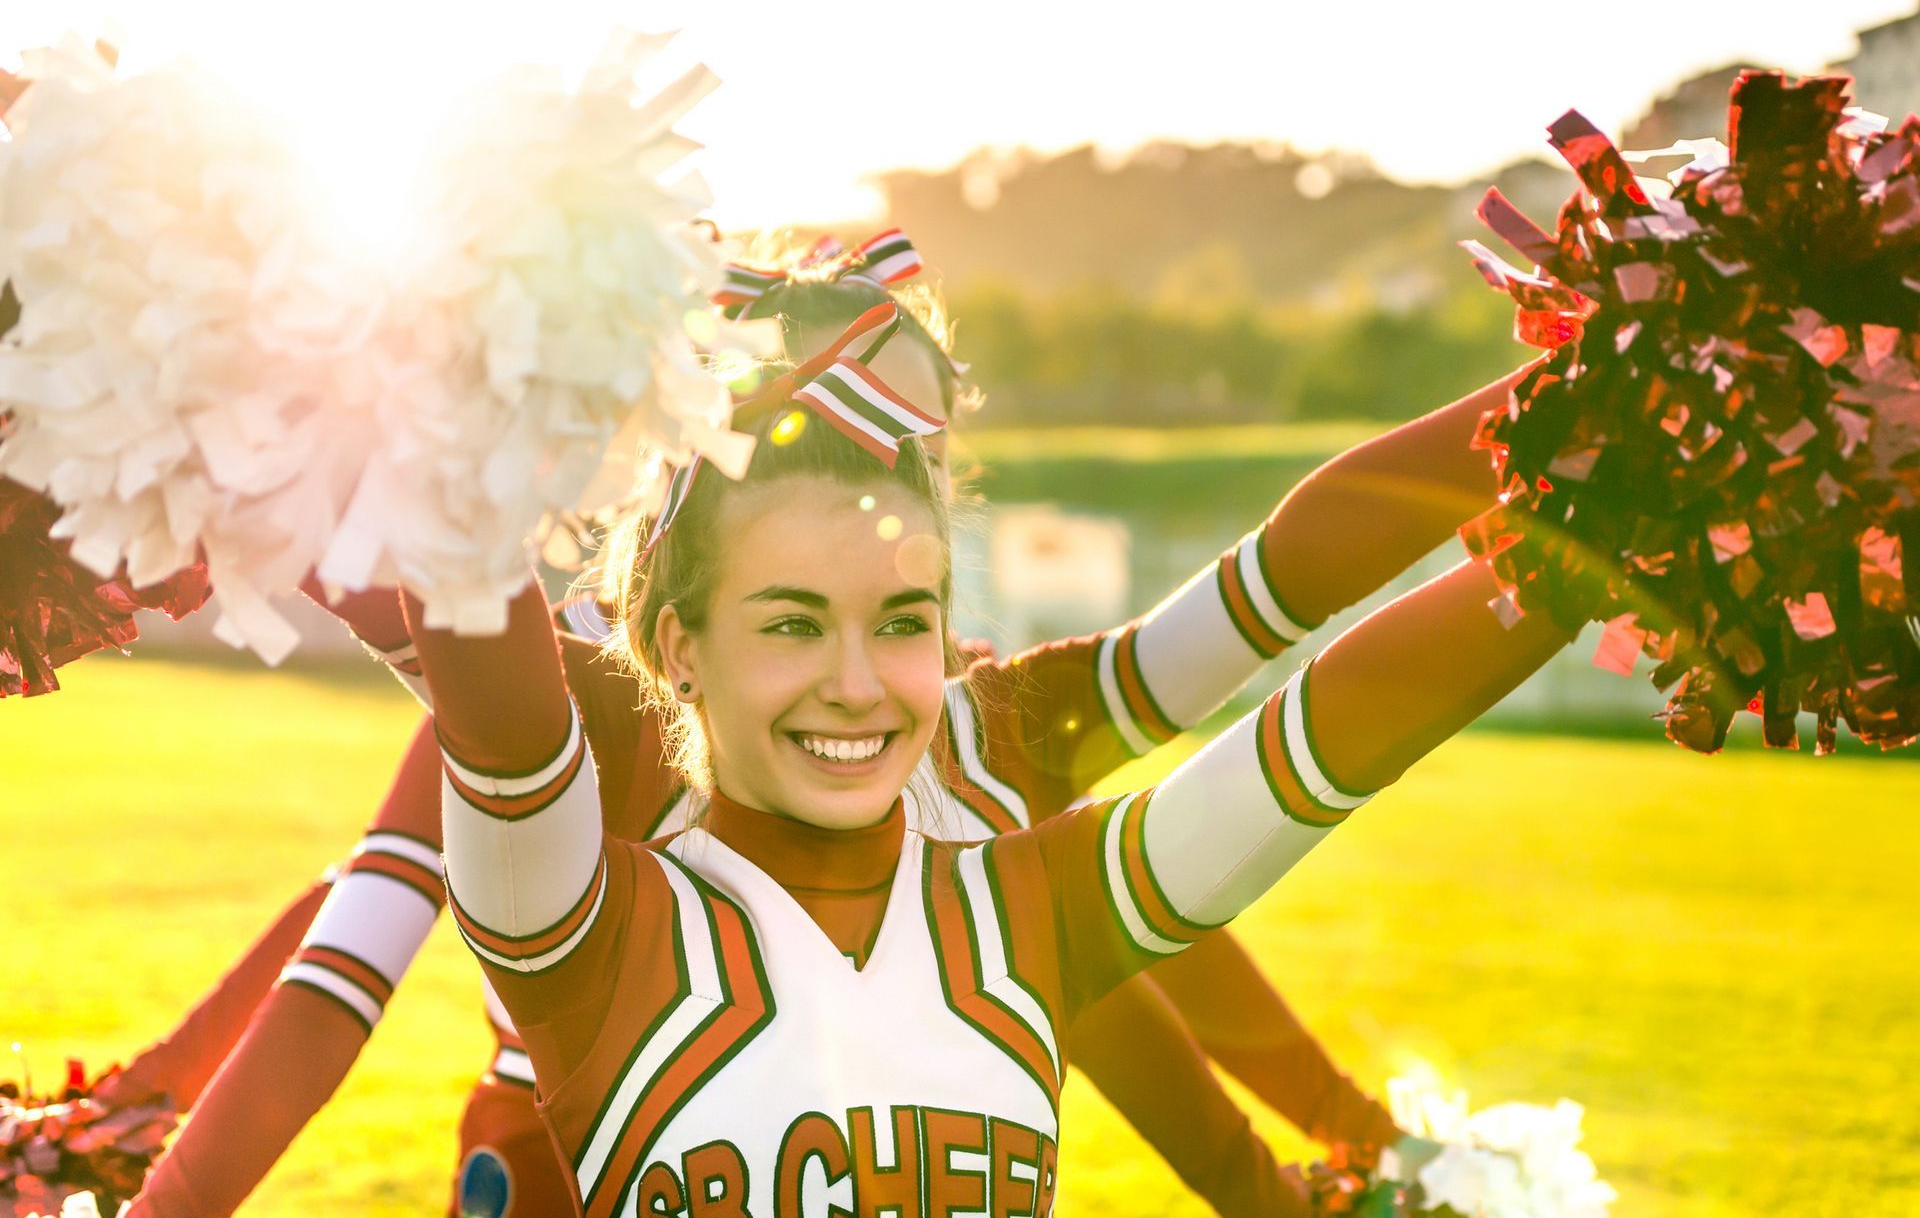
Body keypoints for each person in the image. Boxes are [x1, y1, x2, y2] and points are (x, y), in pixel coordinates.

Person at [111, 242, 1520, 1216]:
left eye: (899, 597)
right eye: (786, 615)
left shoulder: (972, 726)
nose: (855, 669)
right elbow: (348, 938)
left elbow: (1157, 907)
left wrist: (1615, 409)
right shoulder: (580, 708)